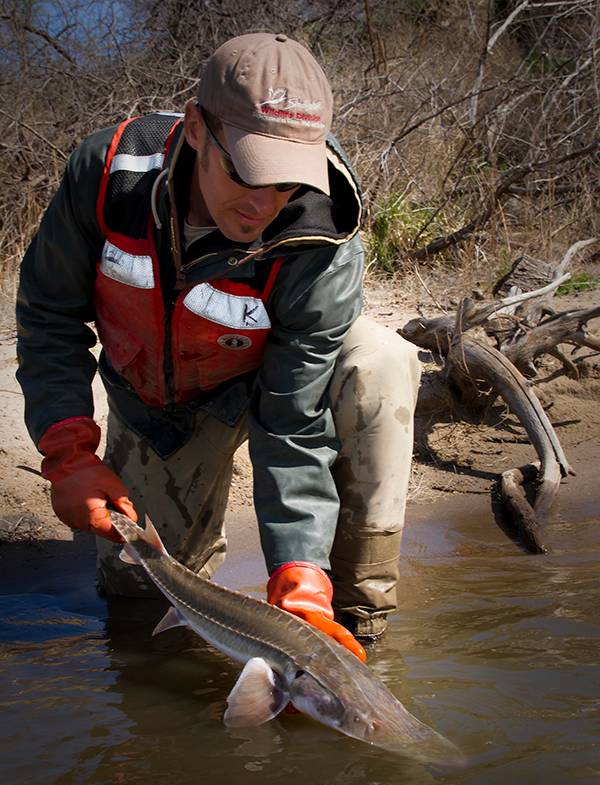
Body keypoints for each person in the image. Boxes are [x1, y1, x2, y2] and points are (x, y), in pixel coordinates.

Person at [16, 32, 420, 656]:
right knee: (140, 598)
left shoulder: (324, 233)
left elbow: (293, 421)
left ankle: (350, 623)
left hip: (270, 383)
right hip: (160, 403)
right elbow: (47, 317)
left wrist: (300, 568)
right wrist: (67, 450)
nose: (265, 204)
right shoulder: (109, 175)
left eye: (287, 181)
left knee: (382, 363)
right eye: (248, 171)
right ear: (197, 128)